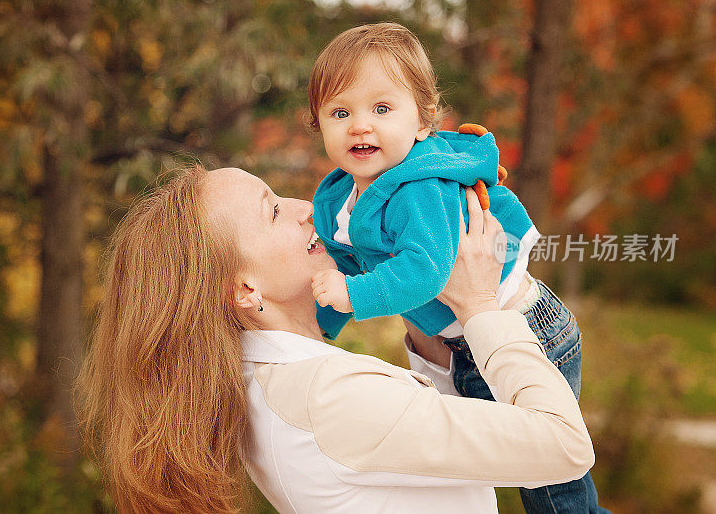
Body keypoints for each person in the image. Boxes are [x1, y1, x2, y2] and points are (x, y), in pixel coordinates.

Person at [76, 164, 595, 514]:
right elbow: (564, 446)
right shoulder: (327, 398)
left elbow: (424, 453)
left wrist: (430, 316)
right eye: (273, 210)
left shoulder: (276, 383)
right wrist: (482, 306)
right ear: (244, 289)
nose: (305, 206)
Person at [307, 22, 606, 512]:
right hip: (465, 343)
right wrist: (322, 329)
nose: (360, 125)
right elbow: (345, 264)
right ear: (320, 126)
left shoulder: (420, 187)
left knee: (553, 491)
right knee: (468, 480)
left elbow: (426, 270)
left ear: (423, 123)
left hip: (527, 332)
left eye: (382, 109)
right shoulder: (336, 197)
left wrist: (353, 297)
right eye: (340, 112)